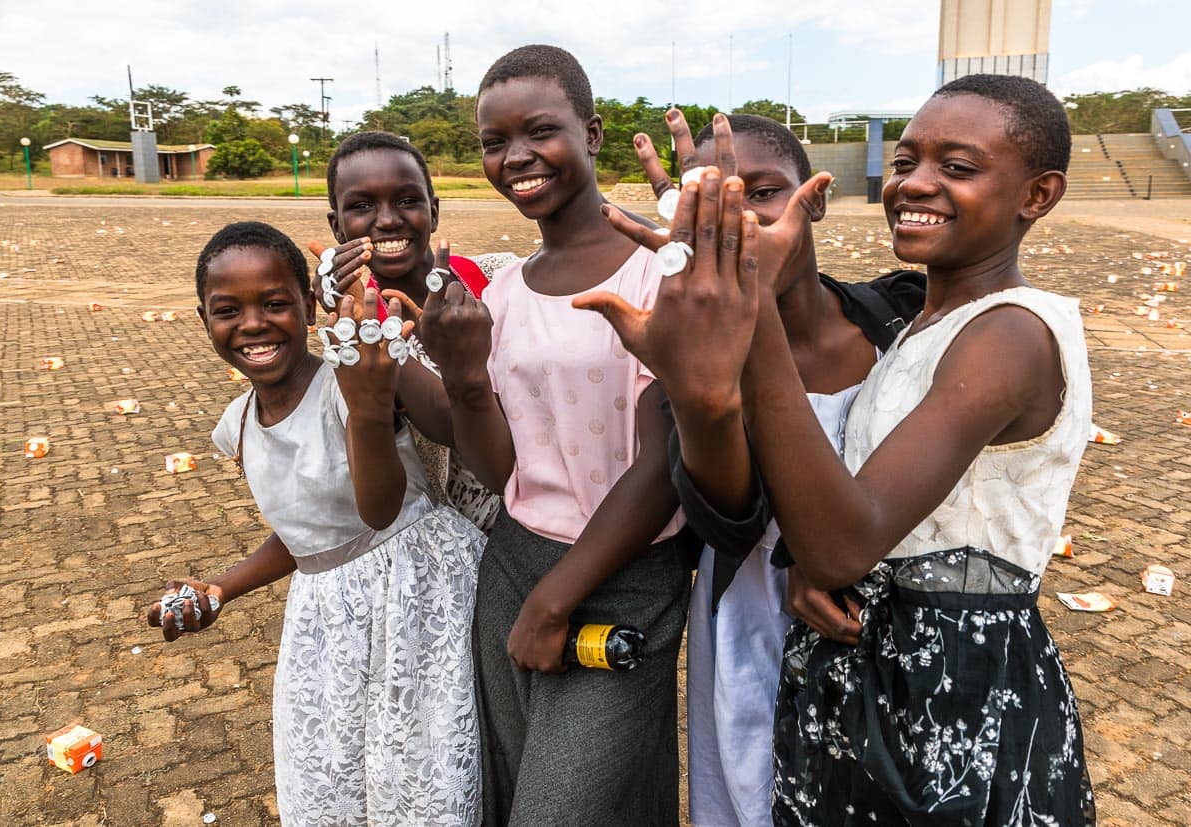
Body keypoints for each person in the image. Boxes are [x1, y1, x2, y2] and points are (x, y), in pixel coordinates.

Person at [584, 74, 1095, 825]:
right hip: (869, 667)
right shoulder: (919, 323)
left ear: (1038, 195)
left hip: (950, 692)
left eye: (957, 168)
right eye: (906, 162)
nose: (916, 183)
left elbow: (841, 543)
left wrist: (748, 299)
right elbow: (865, 515)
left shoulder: (1010, 334)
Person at [617, 111, 924, 827]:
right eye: (713, 201)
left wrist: (844, 555)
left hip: (894, 625)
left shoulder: (900, 319)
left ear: (812, 197)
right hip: (752, 620)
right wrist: (705, 396)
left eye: (761, 192)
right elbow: (728, 519)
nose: (740, 218)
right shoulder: (692, 363)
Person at [416, 44, 697, 825]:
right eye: (492, 142)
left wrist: (554, 598)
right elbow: (501, 465)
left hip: (625, 570)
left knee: (558, 807)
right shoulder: (504, 290)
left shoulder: (655, 269)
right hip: (516, 560)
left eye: (538, 131)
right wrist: (466, 375)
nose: (515, 158)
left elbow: (664, 458)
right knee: (529, 789)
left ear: (593, 133)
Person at [145, 221, 485, 826]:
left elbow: (376, 510)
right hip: (327, 617)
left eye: (274, 303)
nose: (252, 324)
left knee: (415, 772)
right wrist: (219, 589)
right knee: (332, 773)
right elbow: (305, 536)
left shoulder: (350, 381)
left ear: (308, 306)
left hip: (413, 592)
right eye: (228, 310)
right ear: (204, 321)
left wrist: (369, 409)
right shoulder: (239, 424)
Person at [313, 130, 516, 532]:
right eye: (361, 205)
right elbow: (446, 426)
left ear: (434, 211)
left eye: (407, 200)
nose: (388, 220)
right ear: (337, 227)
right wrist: (362, 323)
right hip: (465, 542)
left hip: (554, 513)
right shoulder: (355, 342)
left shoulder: (500, 277)